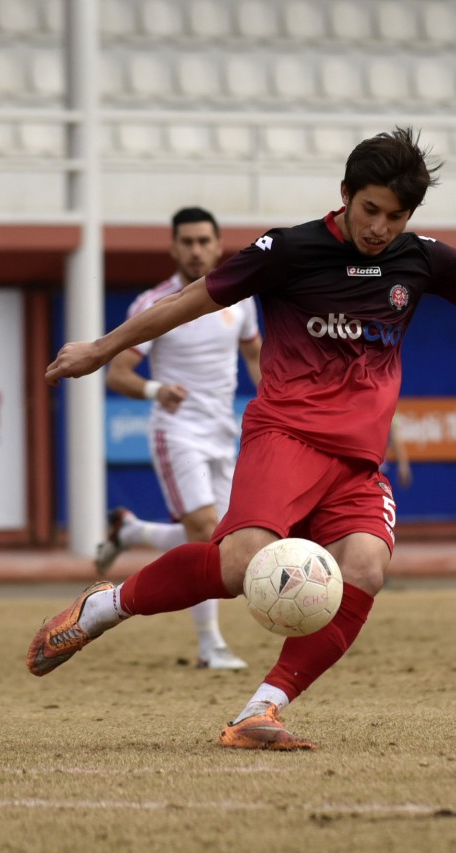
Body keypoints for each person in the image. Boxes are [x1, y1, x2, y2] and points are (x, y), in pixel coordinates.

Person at [29, 127, 456, 750]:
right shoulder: (288, 250)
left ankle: (261, 710)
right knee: (240, 565)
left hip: (357, 462)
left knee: (364, 568)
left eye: (395, 216)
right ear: (344, 194)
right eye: (370, 210)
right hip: (285, 435)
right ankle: (105, 608)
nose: (379, 227)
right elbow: (193, 299)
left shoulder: (420, 259)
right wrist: (103, 348)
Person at [93, 207, 262, 671]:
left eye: (203, 241)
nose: (195, 250)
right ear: (173, 247)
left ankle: (131, 531)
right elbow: (118, 374)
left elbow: (255, 356)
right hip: (177, 431)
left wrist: (278, 400)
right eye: (186, 241)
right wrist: (156, 390)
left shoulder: (240, 300)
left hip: (222, 432)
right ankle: (210, 644)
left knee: (223, 542)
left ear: (219, 245)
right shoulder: (155, 303)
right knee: (205, 532)